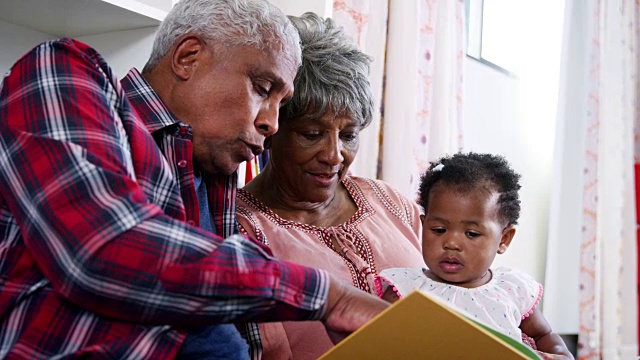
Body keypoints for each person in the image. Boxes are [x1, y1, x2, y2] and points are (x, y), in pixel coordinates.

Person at [0, 0, 389, 358]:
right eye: (263, 89)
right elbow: (102, 249)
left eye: (281, 106)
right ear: (188, 57)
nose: (270, 124)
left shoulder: (216, 179)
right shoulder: (63, 72)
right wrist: (331, 298)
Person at [236, 12, 426, 359]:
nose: (334, 155)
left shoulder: (390, 202)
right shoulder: (241, 229)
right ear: (273, 126)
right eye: (312, 134)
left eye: (349, 135)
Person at [376, 152, 574, 360]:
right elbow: (381, 340)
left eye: (471, 234)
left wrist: (559, 354)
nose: (451, 243)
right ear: (423, 226)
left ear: (504, 239)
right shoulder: (407, 290)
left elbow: (543, 334)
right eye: (439, 230)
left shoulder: (511, 289)